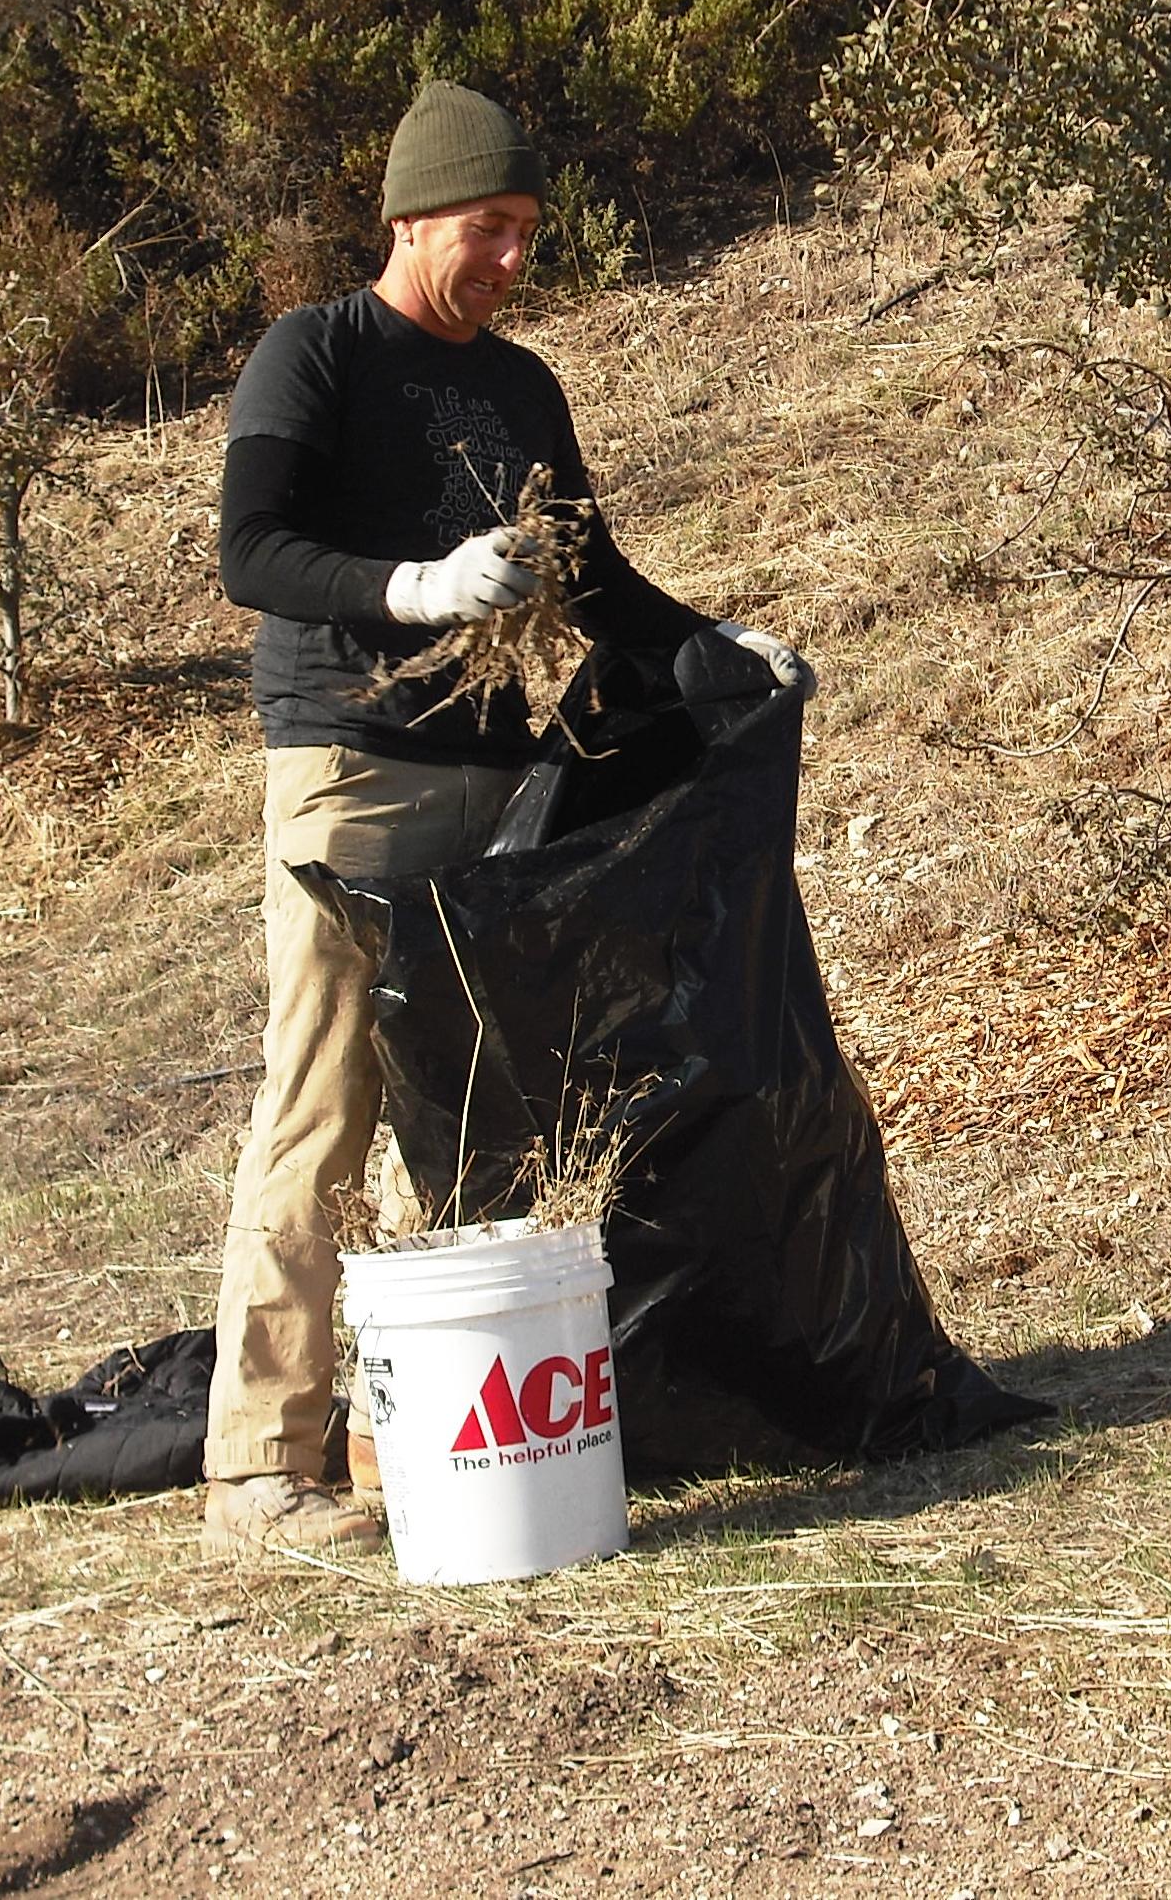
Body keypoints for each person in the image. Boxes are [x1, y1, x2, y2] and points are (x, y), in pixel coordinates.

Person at [204, 79, 809, 1560]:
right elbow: (254, 550)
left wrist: (723, 646)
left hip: (491, 776)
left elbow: (595, 587)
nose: (514, 259)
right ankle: (258, 1470)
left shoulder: (524, 390)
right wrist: (410, 587)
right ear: (411, 218)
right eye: (489, 229)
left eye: (531, 232)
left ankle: (408, 1429)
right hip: (351, 771)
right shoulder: (319, 355)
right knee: (329, 1099)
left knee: (465, 1111)